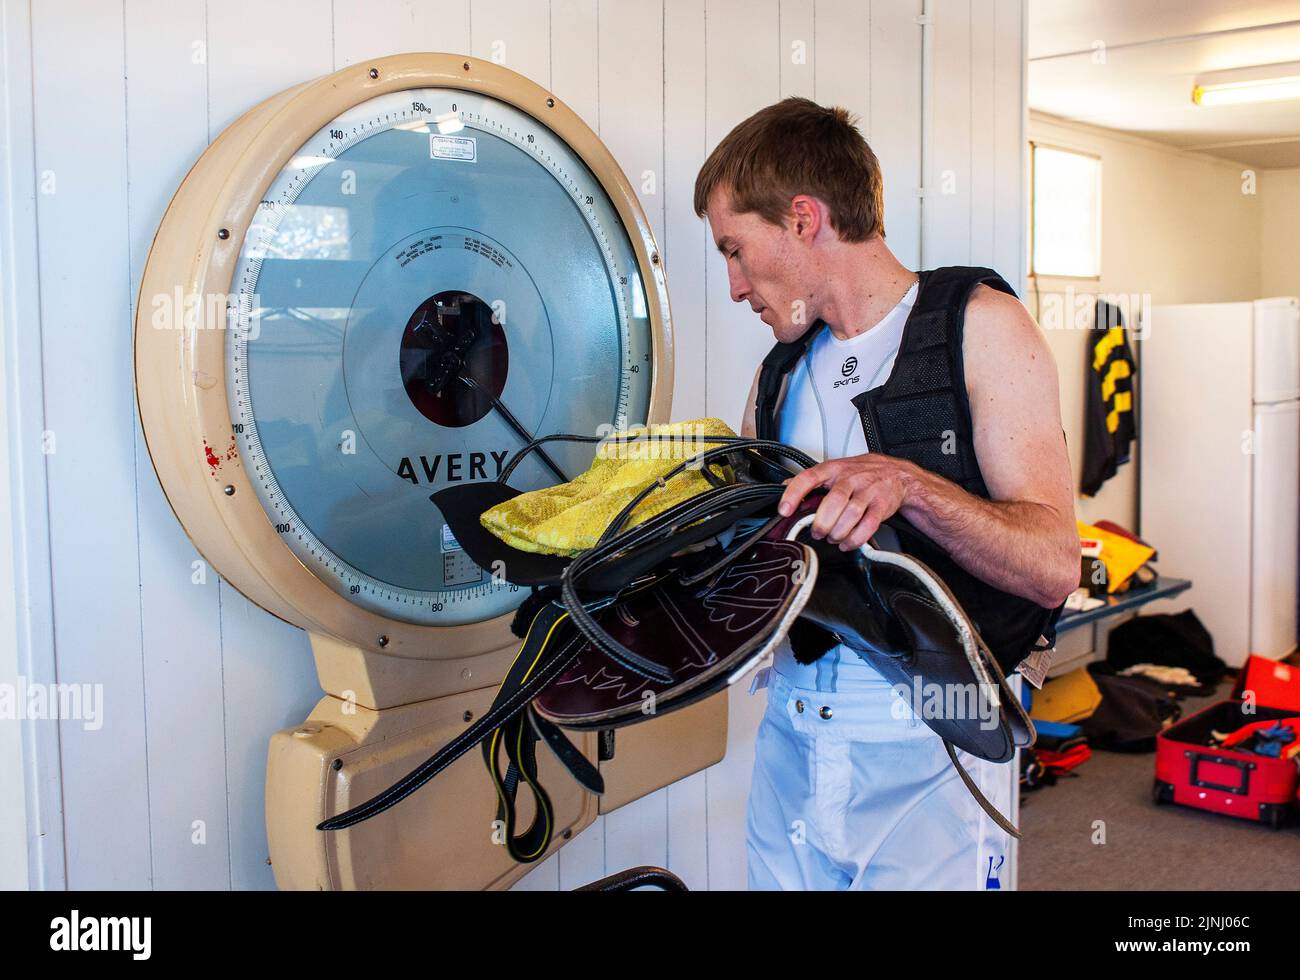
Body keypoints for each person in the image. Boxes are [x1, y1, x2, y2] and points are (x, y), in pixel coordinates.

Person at [693, 97, 1079, 890]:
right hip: (792, 743)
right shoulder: (777, 377)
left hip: (933, 757)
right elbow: (756, 573)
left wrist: (911, 486)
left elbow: (1053, 564)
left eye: (735, 250)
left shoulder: (980, 326)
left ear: (803, 219)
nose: (734, 286)